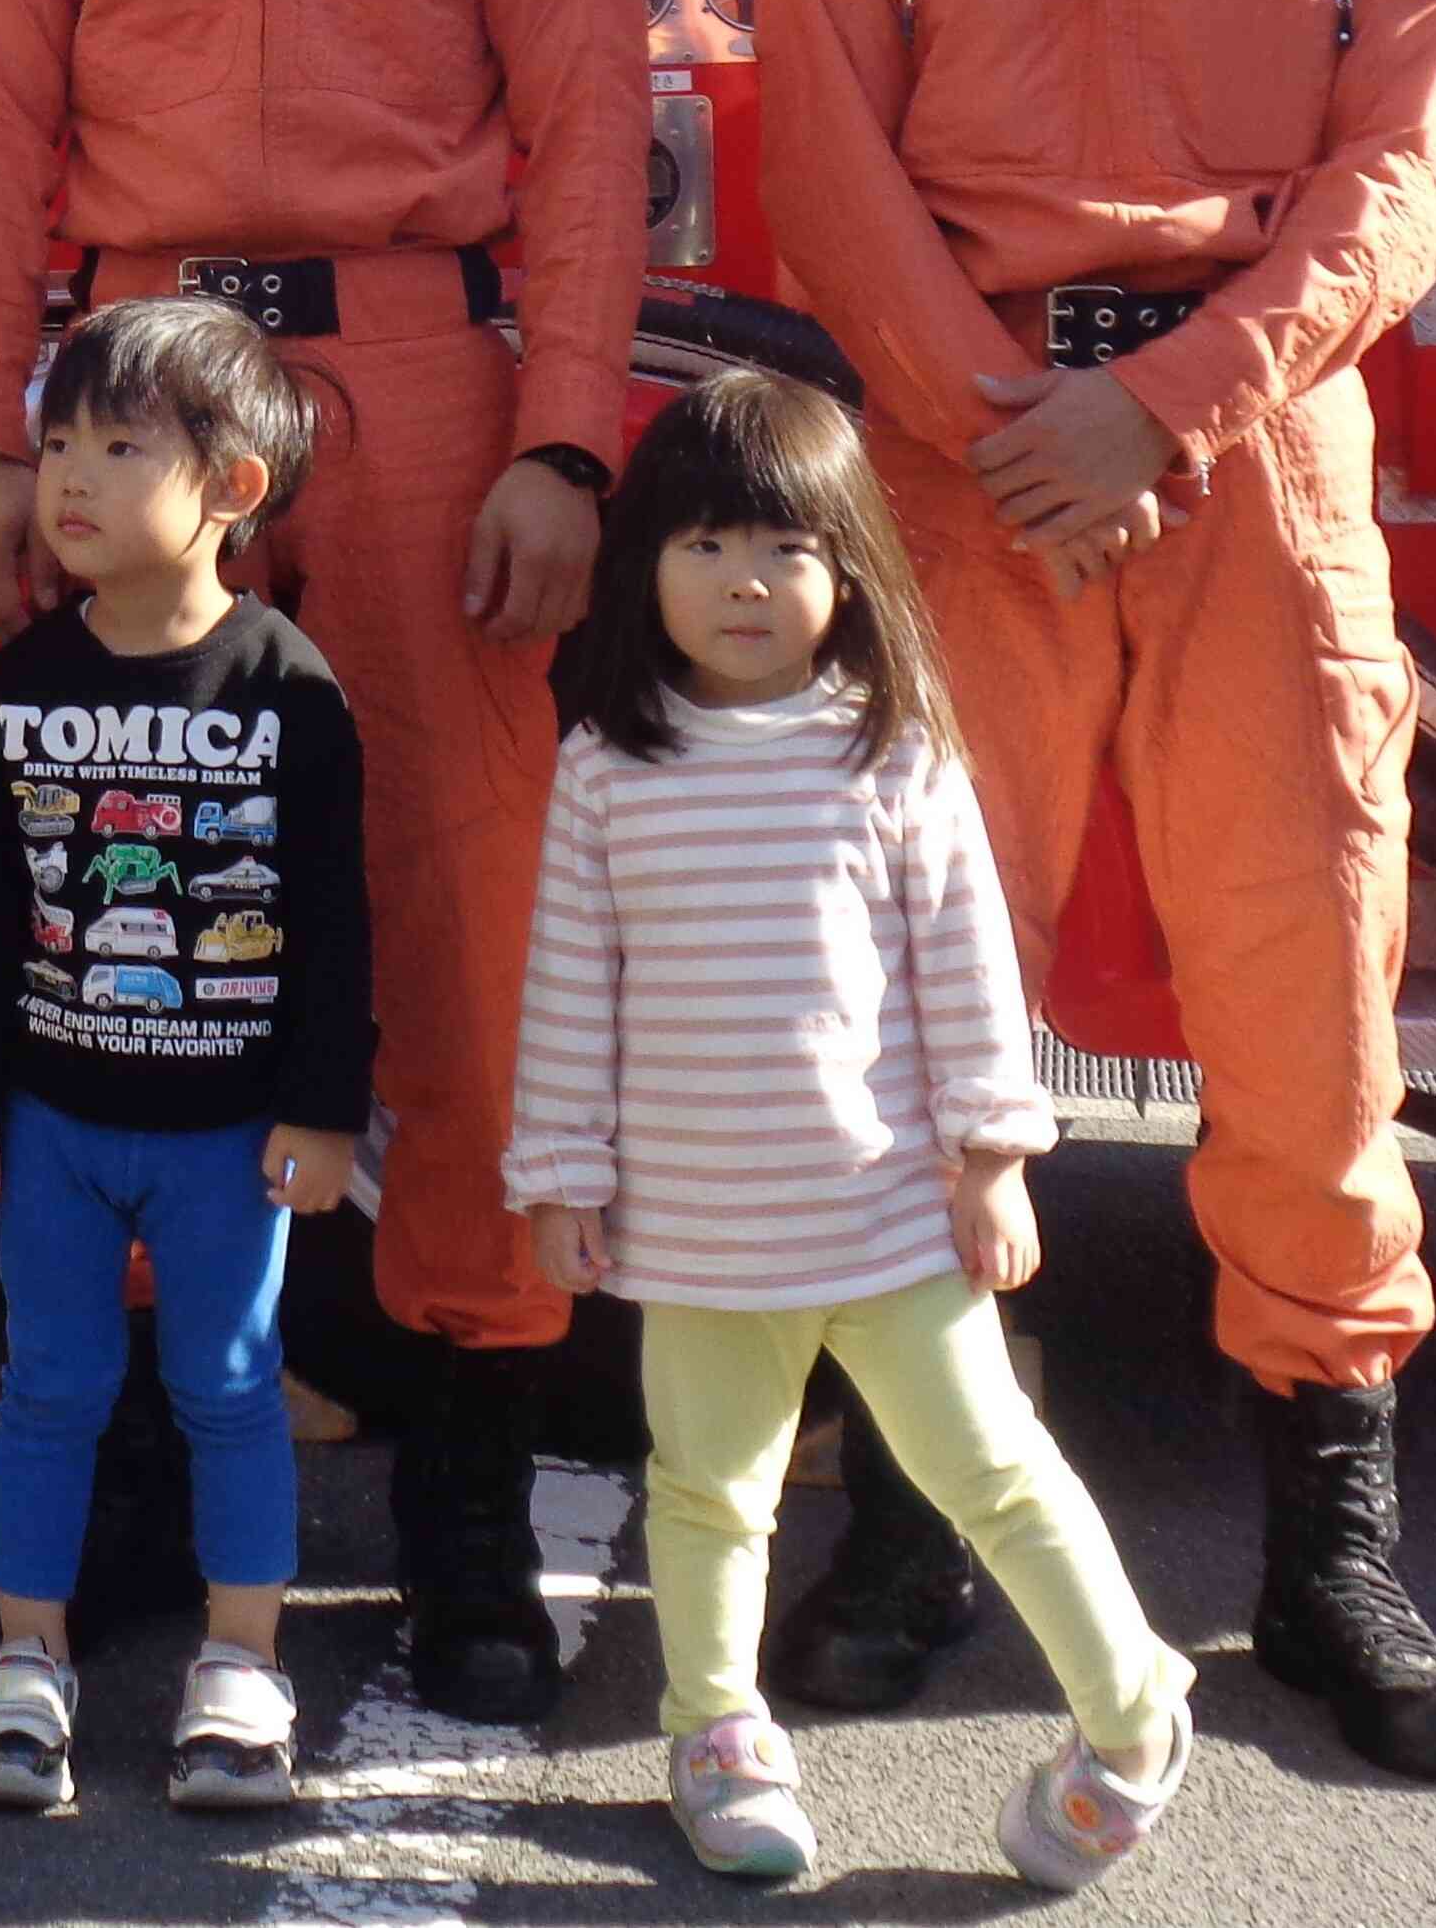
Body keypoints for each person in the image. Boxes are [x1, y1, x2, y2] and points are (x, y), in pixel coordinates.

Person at [755, 0, 1436, 1782]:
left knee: (1306, 1007)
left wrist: (1160, 407)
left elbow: (1407, 183)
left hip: (1252, 481)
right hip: (959, 485)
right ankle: (905, 1531)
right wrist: (998, 426)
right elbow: (829, 186)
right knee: (916, 1028)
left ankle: (1329, 1554)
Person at [0, 0, 643, 1720]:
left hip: (421, 380)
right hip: (141, 392)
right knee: (123, 928)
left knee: (456, 939)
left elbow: (581, 159)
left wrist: (559, 438)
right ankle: (118, 1460)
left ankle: (465, 1479)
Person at [510, 368, 1191, 1893]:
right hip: (694, 1223)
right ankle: (716, 1726)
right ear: (646, 569)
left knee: (997, 1474)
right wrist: (559, 1170)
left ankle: (1137, 1711)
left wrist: (996, 1153)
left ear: (852, 565)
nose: (745, 579)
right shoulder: (611, 766)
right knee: (705, 1489)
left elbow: (969, 967)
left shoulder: (895, 749)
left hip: (893, 1215)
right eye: (704, 544)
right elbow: (568, 976)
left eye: (786, 545)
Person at [0, 299, 371, 1819]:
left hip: (227, 1134)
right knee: (47, 1383)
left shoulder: (290, 686)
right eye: (60, 442)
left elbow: (330, 920)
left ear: (233, 488)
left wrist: (324, 1109)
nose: (71, 477)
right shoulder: (24, 682)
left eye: (122, 445)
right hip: (51, 1118)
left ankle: (241, 1665)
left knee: (230, 1385)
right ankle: (25, 1662)